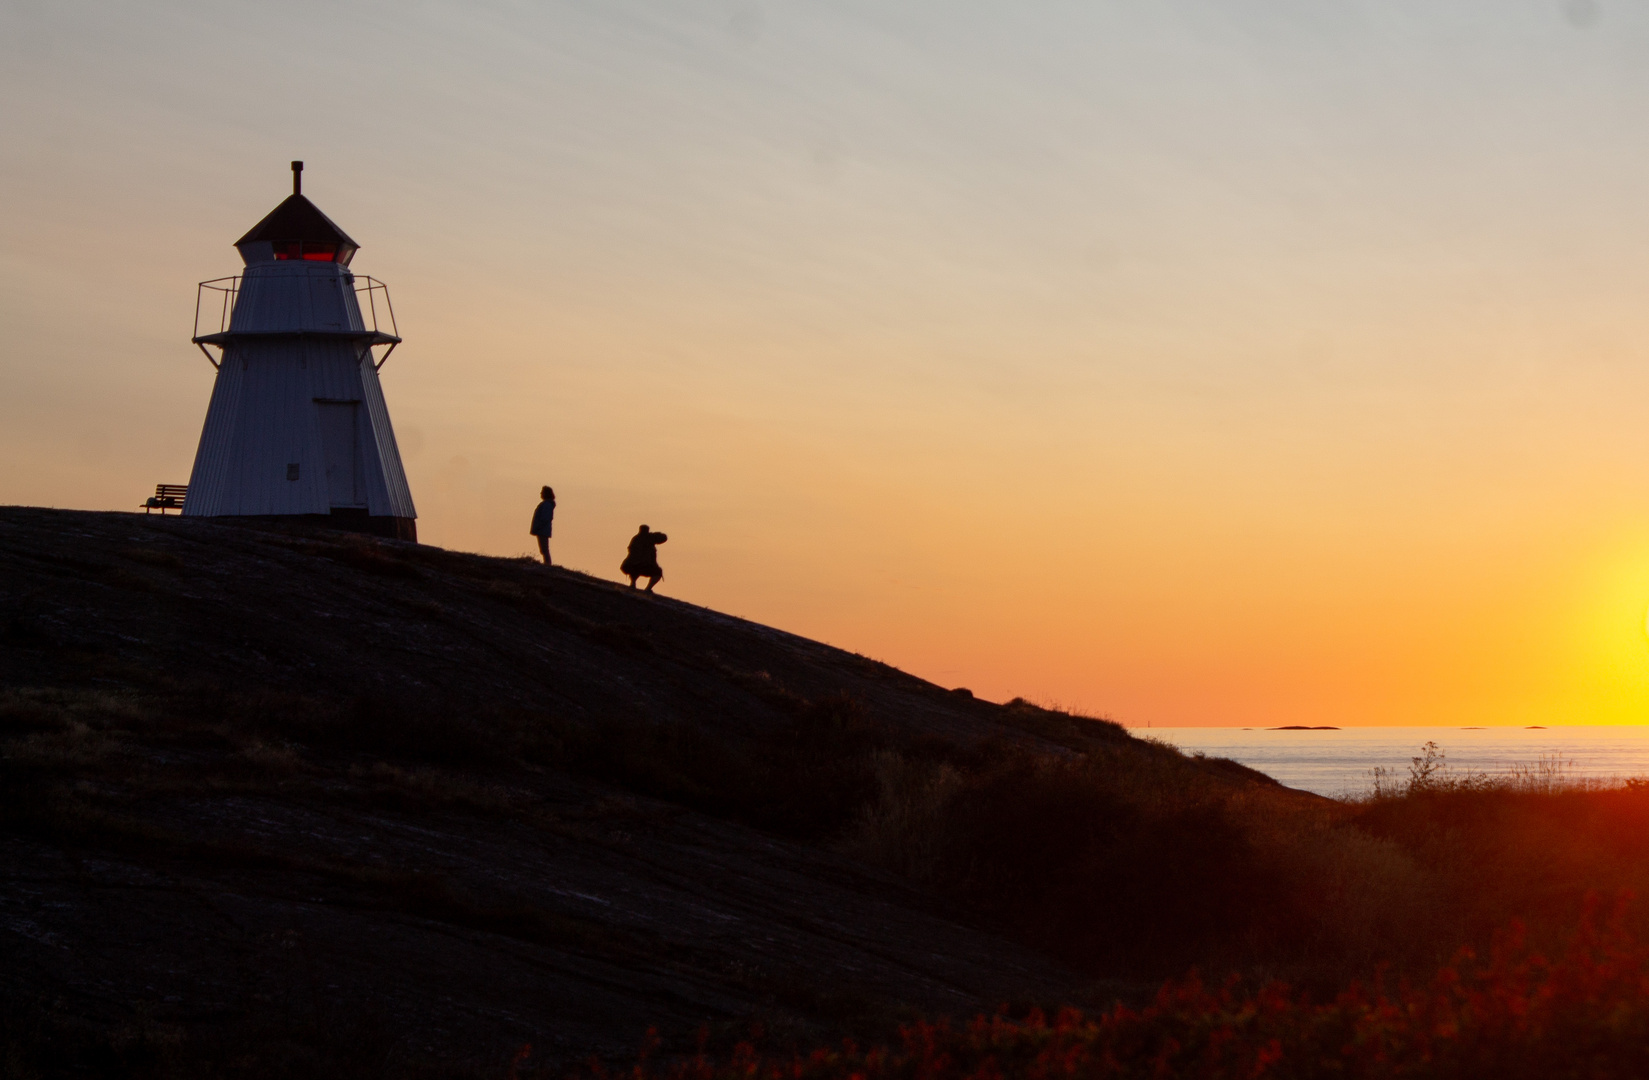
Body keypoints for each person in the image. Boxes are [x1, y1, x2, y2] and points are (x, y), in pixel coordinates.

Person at [620, 524, 667, 592]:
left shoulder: (637, 539)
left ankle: (639, 586)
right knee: (655, 571)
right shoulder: (647, 539)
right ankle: (643, 587)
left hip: (632, 565)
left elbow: (663, 538)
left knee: (655, 571)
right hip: (635, 565)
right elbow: (662, 538)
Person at [529, 486, 556, 565]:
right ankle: (547, 563)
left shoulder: (546, 504)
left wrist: (538, 527)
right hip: (542, 529)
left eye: (542, 492)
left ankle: (547, 564)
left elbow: (545, 518)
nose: (540, 493)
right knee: (543, 549)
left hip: (542, 530)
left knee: (544, 549)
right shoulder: (546, 504)